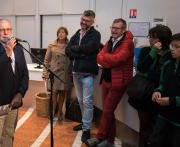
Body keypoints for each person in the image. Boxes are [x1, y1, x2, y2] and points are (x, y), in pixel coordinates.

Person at [86, 18, 134, 147]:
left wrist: (106, 59)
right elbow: (99, 56)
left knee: (107, 111)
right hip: (106, 81)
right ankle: (110, 141)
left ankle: (100, 138)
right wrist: (107, 59)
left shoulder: (128, 43)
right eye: (112, 27)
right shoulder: (110, 41)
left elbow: (118, 59)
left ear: (123, 30)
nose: (113, 30)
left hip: (118, 83)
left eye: (117, 28)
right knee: (109, 112)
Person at [0, 18, 29, 147]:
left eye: (8, 29)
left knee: (9, 136)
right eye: (2, 30)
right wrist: (7, 54)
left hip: (14, 103)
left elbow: (24, 73)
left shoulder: (19, 48)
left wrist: (20, 93)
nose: (5, 32)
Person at [128, 25, 172, 147]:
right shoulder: (146, 50)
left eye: (152, 37)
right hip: (142, 95)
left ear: (160, 39)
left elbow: (162, 76)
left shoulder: (169, 54)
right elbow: (141, 67)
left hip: (159, 95)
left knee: (157, 127)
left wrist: (147, 74)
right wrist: (153, 52)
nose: (149, 39)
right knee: (144, 125)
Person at [65, 10, 101, 142]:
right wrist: (80, 53)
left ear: (92, 22)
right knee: (80, 100)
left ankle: (86, 128)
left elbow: (90, 48)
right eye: (83, 20)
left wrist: (77, 49)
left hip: (88, 73)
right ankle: (84, 122)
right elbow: (68, 50)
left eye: (87, 21)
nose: (84, 22)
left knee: (87, 101)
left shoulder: (95, 34)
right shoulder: (77, 33)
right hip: (76, 72)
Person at [148, 33, 180, 147]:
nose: (172, 49)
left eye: (176, 47)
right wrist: (157, 91)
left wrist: (171, 100)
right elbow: (162, 84)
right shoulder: (168, 64)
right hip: (164, 114)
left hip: (178, 120)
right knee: (155, 141)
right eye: (172, 46)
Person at [42, 26, 71, 121]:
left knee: (62, 94)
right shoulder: (51, 45)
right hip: (54, 73)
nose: (61, 34)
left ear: (66, 34)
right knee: (54, 94)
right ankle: (53, 111)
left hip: (64, 73)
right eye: (59, 32)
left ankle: (59, 112)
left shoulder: (70, 45)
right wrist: (45, 73)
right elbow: (46, 60)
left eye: (63, 32)